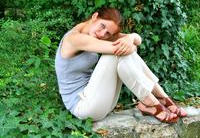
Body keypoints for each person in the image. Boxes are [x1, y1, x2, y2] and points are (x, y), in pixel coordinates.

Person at [55, 7, 187, 122]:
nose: (102, 34)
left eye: (108, 33)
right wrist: (129, 43)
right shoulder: (74, 38)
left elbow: (137, 40)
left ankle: (160, 98)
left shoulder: (98, 36)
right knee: (115, 54)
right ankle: (152, 101)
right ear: (95, 16)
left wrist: (130, 38)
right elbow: (124, 50)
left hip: (102, 101)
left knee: (121, 51)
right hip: (83, 107)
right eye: (102, 26)